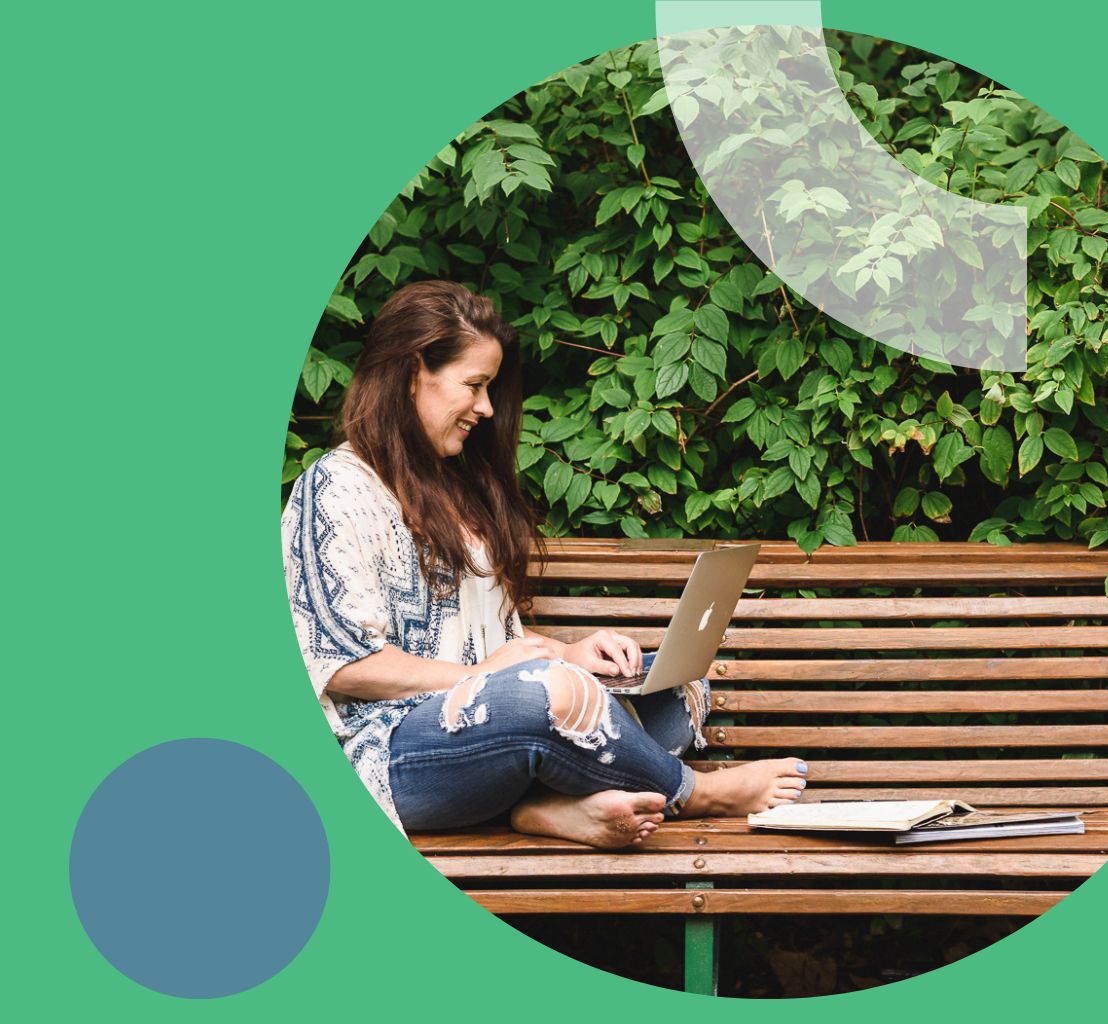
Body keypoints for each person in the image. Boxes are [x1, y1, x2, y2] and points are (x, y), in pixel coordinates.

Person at [281, 280, 807, 848]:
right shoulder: (334, 491)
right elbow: (341, 664)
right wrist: (491, 679)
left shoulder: (453, 487)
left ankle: (540, 806)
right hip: (391, 748)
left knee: (674, 686)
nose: (485, 407)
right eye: (475, 385)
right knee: (546, 696)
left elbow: (484, 636)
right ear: (413, 374)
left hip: (496, 721)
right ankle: (700, 793)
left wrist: (570, 654)